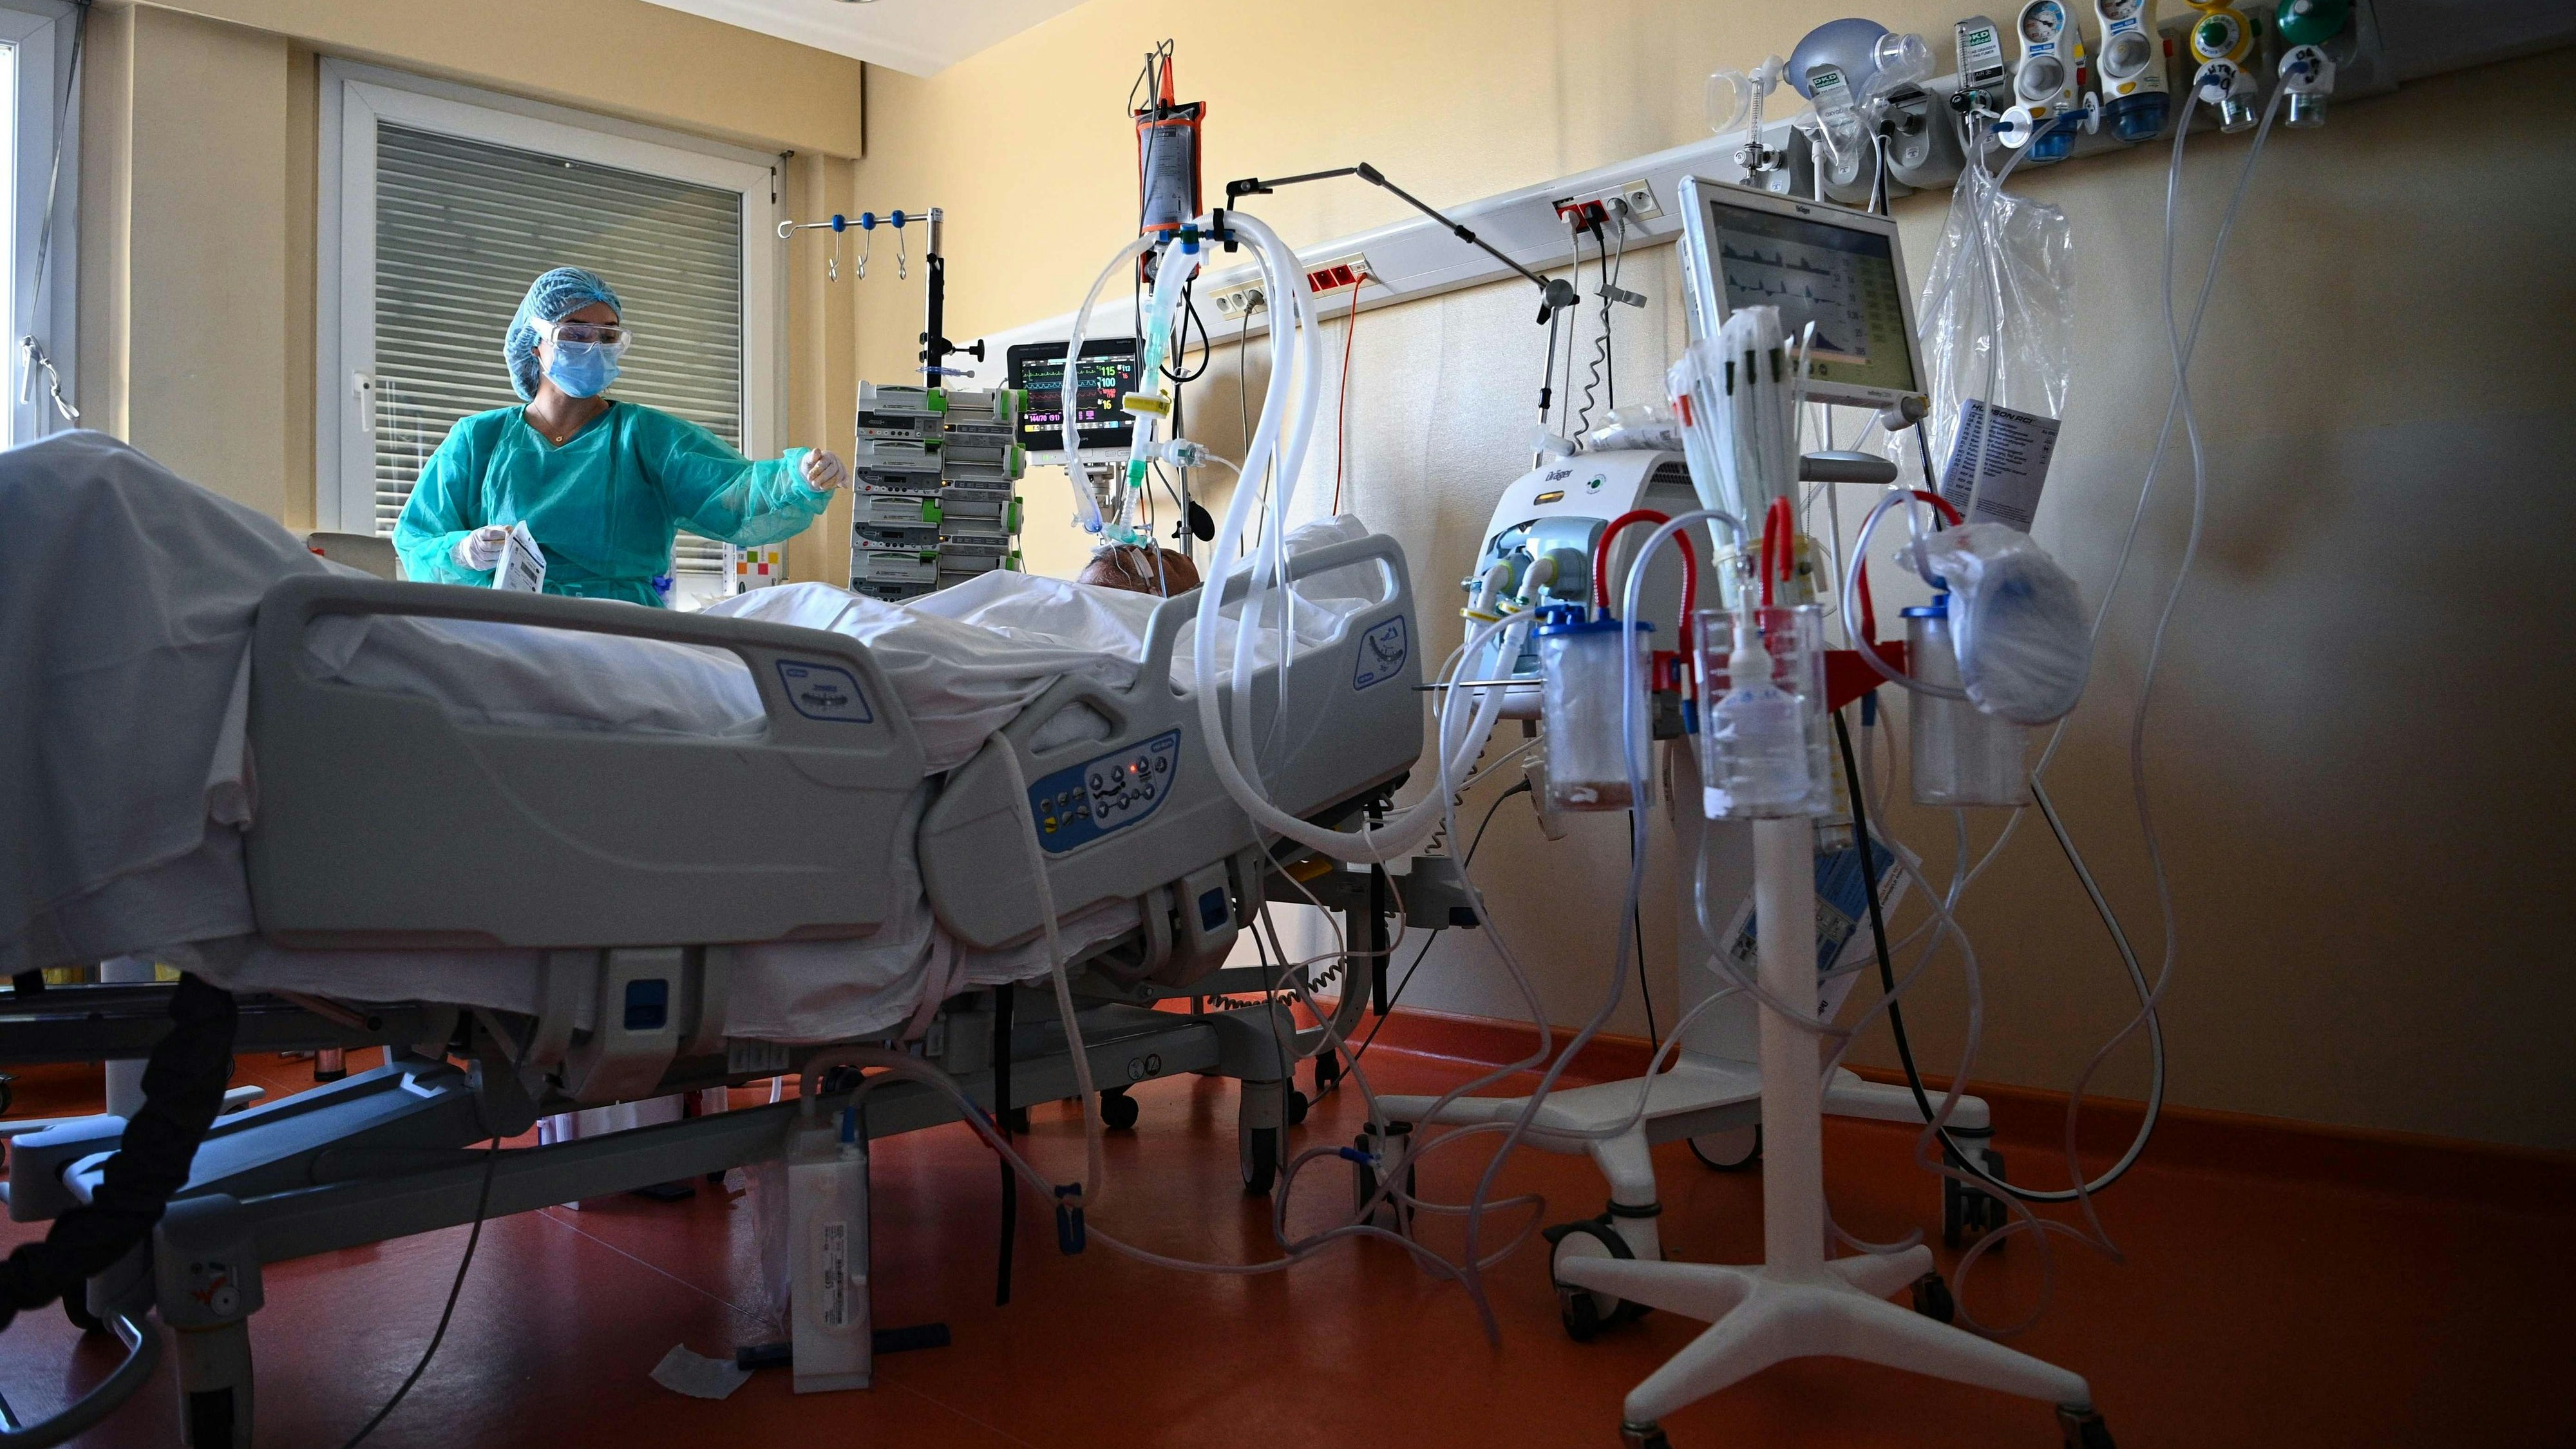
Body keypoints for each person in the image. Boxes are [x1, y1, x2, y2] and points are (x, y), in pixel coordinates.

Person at [393, 267, 849, 606]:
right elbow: (416, 541)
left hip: (619, 633)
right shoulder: (479, 440)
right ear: (535, 344)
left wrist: (797, 479)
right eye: (575, 334)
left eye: (608, 336)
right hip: (507, 629)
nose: (594, 347)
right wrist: (464, 550)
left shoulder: (645, 437)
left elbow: (734, 493)